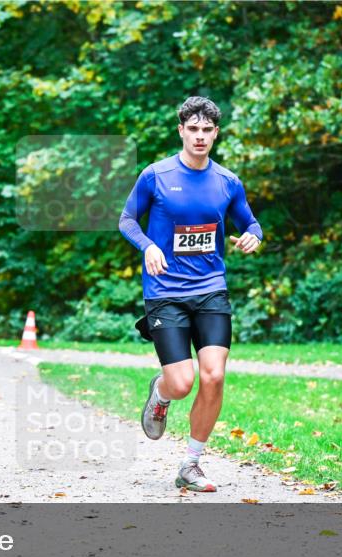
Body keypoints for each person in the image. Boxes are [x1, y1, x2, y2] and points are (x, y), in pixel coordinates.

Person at [119, 96, 263, 493]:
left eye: (207, 130)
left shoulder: (227, 182)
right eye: (193, 129)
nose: (200, 137)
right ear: (181, 130)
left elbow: (250, 222)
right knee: (182, 383)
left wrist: (253, 236)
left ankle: (191, 463)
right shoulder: (156, 175)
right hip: (165, 290)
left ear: (216, 134)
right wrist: (147, 246)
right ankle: (161, 393)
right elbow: (127, 218)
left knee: (214, 375)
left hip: (211, 287)